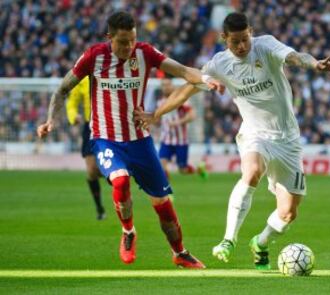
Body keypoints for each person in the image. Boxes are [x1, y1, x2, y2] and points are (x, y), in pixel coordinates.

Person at [134, 12, 330, 269]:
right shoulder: (219, 65)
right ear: (224, 39)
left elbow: (295, 57)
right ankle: (228, 240)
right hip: (255, 133)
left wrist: (314, 64)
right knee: (252, 171)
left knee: (288, 213)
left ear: (250, 32)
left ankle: (261, 243)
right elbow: (186, 89)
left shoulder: (265, 46)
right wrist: (156, 114)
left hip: (288, 138)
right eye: (235, 42)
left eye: (245, 39)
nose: (242, 46)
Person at [37, 11, 224, 268]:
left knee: (162, 203)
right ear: (109, 38)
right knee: (120, 179)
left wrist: (205, 79)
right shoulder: (94, 56)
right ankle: (128, 232)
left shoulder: (145, 53)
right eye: (123, 41)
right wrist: (50, 120)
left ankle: (180, 253)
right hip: (105, 138)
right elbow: (62, 89)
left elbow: (181, 70)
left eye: (132, 40)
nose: (128, 47)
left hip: (140, 140)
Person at [66, 76, 106, 220]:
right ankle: (100, 208)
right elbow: (71, 103)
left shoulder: (109, 73)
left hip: (109, 125)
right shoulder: (82, 80)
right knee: (91, 171)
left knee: (107, 169)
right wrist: (73, 116)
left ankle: (122, 194)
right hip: (90, 127)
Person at [157, 78, 208, 180]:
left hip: (181, 141)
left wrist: (177, 122)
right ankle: (166, 192)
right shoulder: (160, 102)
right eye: (163, 85)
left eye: (167, 85)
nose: (165, 87)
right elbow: (159, 120)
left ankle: (198, 169)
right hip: (166, 140)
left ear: (172, 86)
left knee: (182, 169)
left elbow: (192, 116)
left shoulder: (180, 101)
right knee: (161, 165)